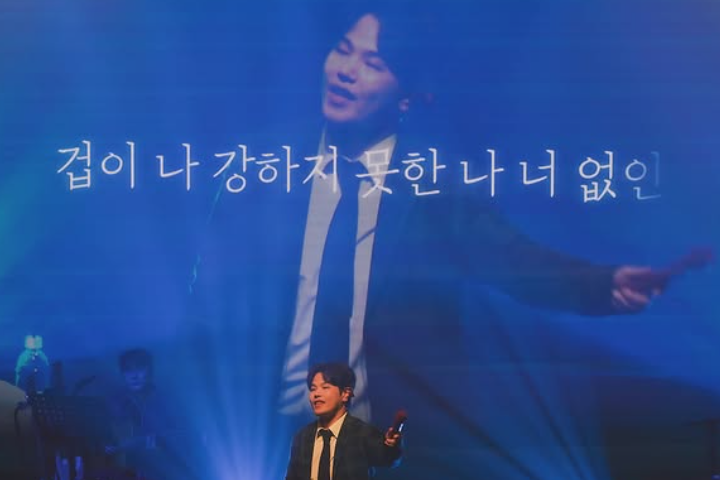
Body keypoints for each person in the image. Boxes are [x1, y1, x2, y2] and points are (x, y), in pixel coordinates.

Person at [285, 362, 401, 480]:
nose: (316, 394)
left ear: (345, 394)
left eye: (325, 387)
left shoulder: (362, 433)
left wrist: (391, 445)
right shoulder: (302, 437)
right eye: (313, 389)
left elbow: (388, 459)